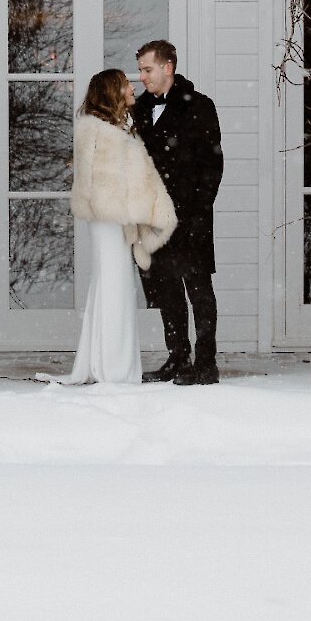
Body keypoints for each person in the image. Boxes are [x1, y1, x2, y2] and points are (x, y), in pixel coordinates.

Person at [50, 69, 176, 386]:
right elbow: (91, 181)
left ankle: (108, 363)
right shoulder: (95, 129)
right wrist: (117, 205)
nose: (132, 87)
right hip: (108, 219)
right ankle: (113, 368)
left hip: (118, 217)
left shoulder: (121, 127)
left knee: (114, 286)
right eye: (125, 84)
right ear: (112, 92)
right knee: (113, 286)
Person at [131, 40, 224, 385]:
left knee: (198, 289)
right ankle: (177, 358)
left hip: (190, 216)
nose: (142, 77)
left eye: (147, 69)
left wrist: (198, 208)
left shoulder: (199, 106)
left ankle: (206, 364)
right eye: (140, 70)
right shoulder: (139, 110)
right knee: (166, 290)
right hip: (152, 219)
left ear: (168, 67)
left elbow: (212, 163)